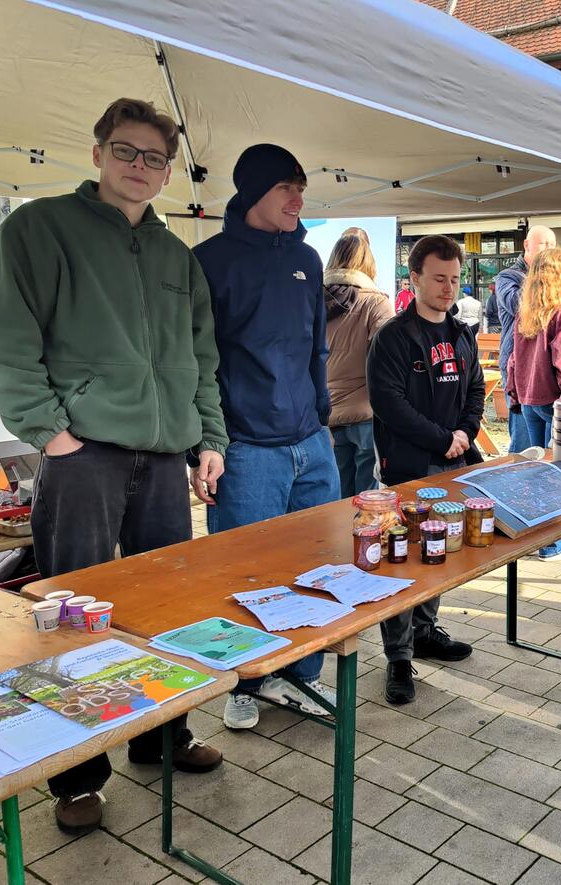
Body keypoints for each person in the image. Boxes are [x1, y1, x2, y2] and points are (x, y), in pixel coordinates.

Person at [0, 97, 228, 835]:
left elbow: (201, 357)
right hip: (83, 455)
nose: (139, 167)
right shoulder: (40, 230)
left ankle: (161, 735)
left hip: (166, 453)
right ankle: (76, 773)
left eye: (153, 157)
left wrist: (210, 438)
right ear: (97, 152)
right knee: (72, 618)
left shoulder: (178, 257)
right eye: (125, 150)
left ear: (169, 169)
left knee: (163, 607)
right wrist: (50, 432)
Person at [193, 143, 340, 730]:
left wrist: (322, 414)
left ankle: (302, 674)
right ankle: (245, 682)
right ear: (254, 192)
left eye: (301, 186)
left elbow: (316, 346)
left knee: (318, 564)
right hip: (247, 447)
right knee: (245, 571)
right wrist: (204, 444)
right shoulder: (208, 262)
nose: (299, 199)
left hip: (311, 441)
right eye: (287, 188)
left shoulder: (308, 257)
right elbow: (196, 359)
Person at [367, 235, 485, 705]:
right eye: (439, 278)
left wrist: (466, 432)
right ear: (414, 277)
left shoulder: (462, 333)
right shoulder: (392, 338)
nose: (448, 288)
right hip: (409, 468)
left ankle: (425, 631)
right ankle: (397, 656)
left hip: (453, 465)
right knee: (401, 559)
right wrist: (444, 438)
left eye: (455, 279)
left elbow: (475, 388)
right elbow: (389, 404)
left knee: (439, 551)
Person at [507, 247, 561, 562]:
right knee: (554, 476)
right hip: (553, 401)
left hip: (526, 398)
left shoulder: (525, 312)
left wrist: (514, 392)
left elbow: (513, 361)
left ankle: (533, 536)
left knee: (532, 473)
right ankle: (551, 543)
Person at [323, 228, 392, 496]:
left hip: (325, 416)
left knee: (336, 497)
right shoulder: (376, 303)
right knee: (367, 501)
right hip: (366, 413)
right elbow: (389, 361)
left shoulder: (312, 299)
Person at [496, 225, 556, 454]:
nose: (549, 249)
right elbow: (518, 305)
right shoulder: (507, 277)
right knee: (524, 445)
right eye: (544, 244)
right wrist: (544, 279)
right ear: (527, 245)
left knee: (549, 448)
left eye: (552, 244)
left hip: (546, 370)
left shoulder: (555, 280)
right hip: (518, 369)